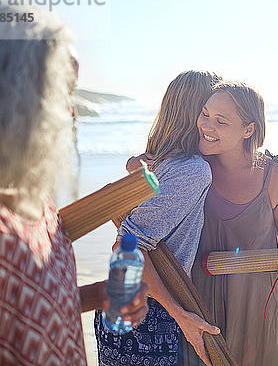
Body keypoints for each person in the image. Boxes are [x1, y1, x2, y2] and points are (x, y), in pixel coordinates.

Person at [0, 4, 148, 365]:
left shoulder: (37, 203)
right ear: (7, 95)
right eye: (63, 90)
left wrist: (98, 295)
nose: (72, 112)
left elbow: (20, 311)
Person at [94, 70, 223, 366]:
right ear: (195, 113)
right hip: (146, 316)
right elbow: (129, 247)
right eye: (209, 112)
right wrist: (181, 316)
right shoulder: (192, 170)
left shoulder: (160, 161)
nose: (214, 120)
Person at [185, 81, 278, 366]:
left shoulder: (276, 179)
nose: (207, 125)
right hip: (201, 312)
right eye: (205, 114)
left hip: (260, 311)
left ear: (248, 130)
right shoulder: (191, 169)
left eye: (221, 121)